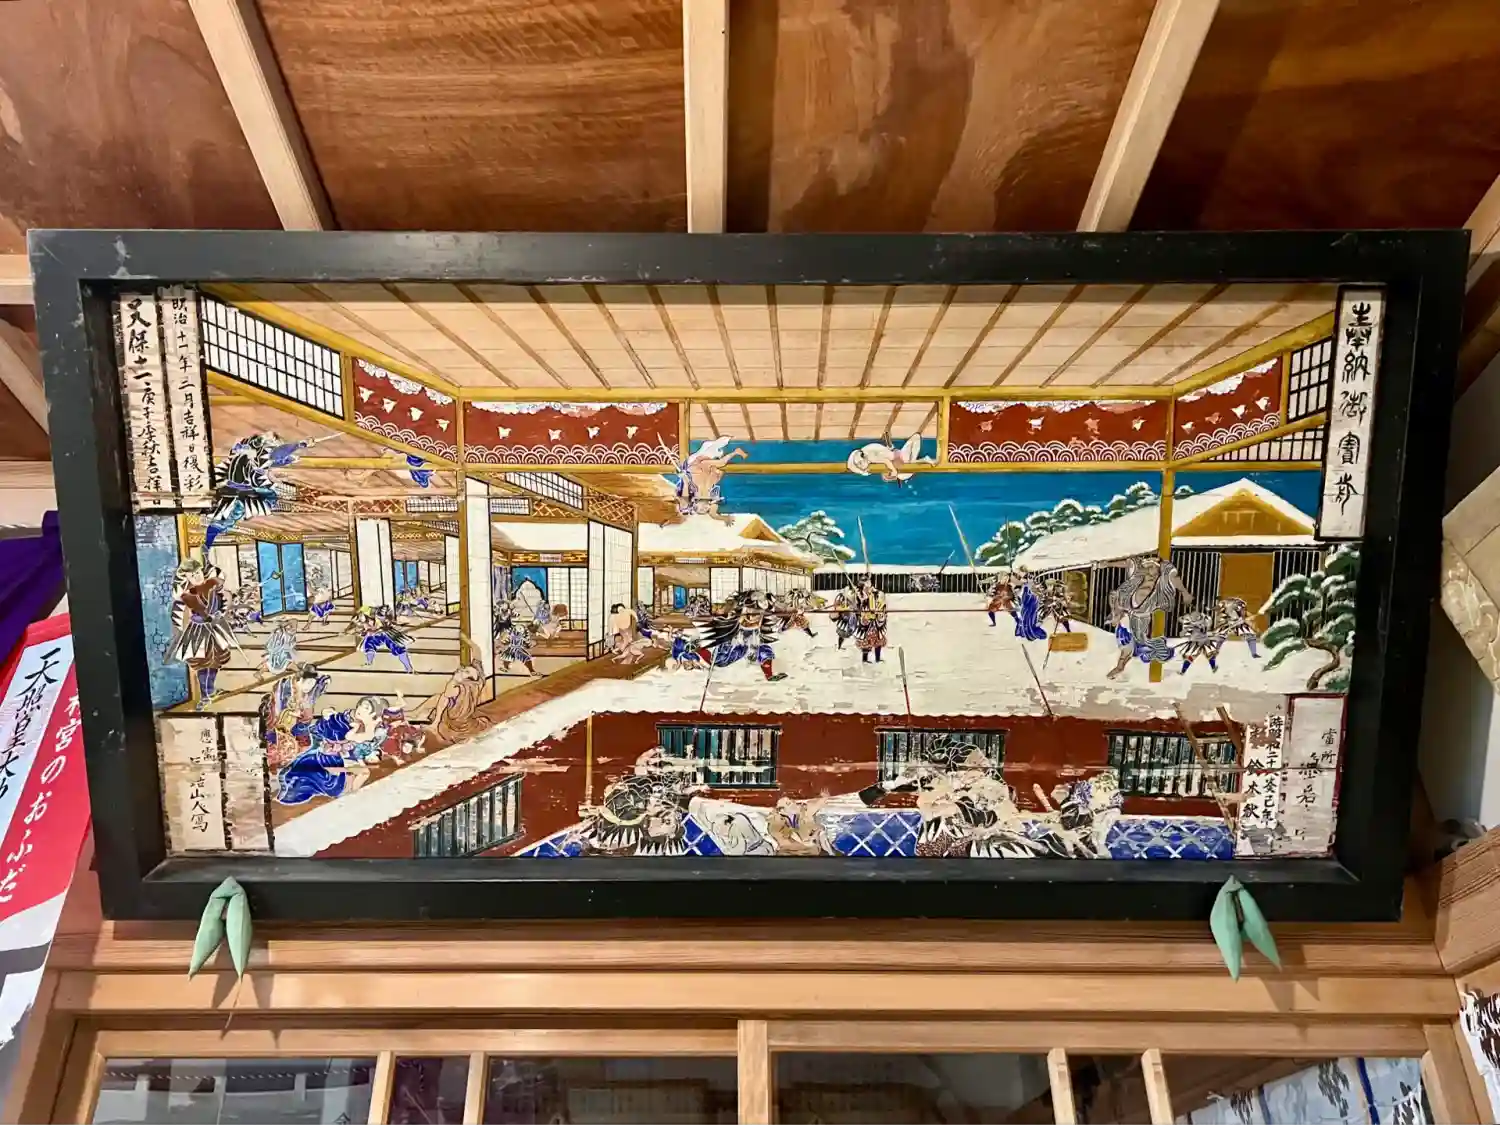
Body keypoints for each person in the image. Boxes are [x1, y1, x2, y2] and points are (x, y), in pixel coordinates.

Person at [203, 431, 316, 548]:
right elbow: (274, 454)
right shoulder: (254, 451)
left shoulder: (248, 451)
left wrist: (292, 454)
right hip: (238, 488)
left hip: (238, 488)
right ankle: (209, 541)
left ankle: (209, 541)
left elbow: (273, 457)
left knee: (231, 514)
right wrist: (300, 444)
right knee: (257, 501)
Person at [164, 558, 238, 708]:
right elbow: (190, 613)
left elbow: (222, 600)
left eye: (198, 572)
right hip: (198, 631)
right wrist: (208, 618)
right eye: (192, 575)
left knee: (216, 660)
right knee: (202, 662)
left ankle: (211, 690)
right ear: (186, 578)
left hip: (214, 628)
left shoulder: (211, 585)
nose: (196, 576)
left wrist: (220, 612)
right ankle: (205, 695)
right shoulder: (188, 594)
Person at [1106, 555, 1193, 679]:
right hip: (1128, 612)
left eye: (1152, 567)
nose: (1149, 569)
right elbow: (1128, 563)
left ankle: (1121, 666)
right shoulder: (1138, 575)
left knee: (1135, 643)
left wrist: (1184, 592)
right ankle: (1121, 665)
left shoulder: (1163, 578)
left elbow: (1175, 578)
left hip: (1141, 616)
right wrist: (1107, 564)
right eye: (1147, 567)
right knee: (1127, 641)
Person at [688, 590, 787, 681]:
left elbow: (771, 618)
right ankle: (699, 651)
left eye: (756, 611)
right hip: (737, 637)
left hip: (753, 636)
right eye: (750, 610)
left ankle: (769, 675)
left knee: (765, 651)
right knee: (721, 659)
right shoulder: (741, 611)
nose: (752, 615)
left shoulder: (763, 611)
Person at [347, 605, 413, 672]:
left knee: (398, 647)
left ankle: (408, 667)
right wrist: (361, 632)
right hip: (376, 635)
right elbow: (361, 630)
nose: (360, 622)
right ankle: (369, 662)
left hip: (387, 633)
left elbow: (386, 624)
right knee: (368, 644)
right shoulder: (363, 622)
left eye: (359, 619)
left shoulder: (378, 615)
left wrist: (381, 627)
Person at [1177, 610, 1225, 675]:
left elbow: (1183, 632)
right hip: (1205, 640)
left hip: (1196, 642)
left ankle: (1183, 671)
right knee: (1209, 655)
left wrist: (1183, 630)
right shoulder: (1205, 621)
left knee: (1191, 656)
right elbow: (1208, 624)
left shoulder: (1192, 623)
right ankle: (1213, 667)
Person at [854, 577, 888, 664]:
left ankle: (877, 658)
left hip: (875, 620)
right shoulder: (859, 596)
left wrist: (879, 613)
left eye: (869, 585)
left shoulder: (876, 594)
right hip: (866, 621)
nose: (869, 588)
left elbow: (881, 604)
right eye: (866, 587)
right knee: (865, 641)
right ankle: (865, 659)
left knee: (878, 640)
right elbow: (858, 609)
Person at [1011, 567, 1048, 642]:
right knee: (1024, 616)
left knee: (1029, 617)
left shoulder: (1030, 578)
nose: (1019, 575)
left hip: (1032, 600)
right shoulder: (1024, 579)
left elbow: (1036, 589)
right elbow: (1020, 585)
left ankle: (1030, 633)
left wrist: (1031, 586)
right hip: (1026, 599)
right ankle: (1024, 632)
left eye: (1020, 573)